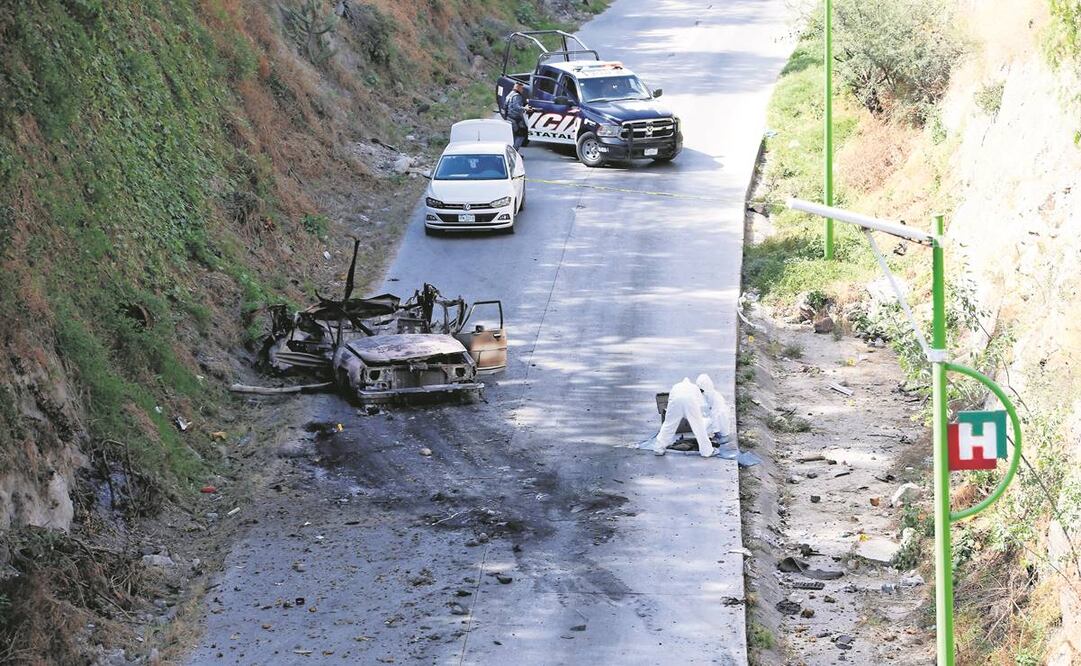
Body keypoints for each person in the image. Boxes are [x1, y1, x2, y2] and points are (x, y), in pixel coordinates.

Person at [653, 377, 714, 457]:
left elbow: (670, 399)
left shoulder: (676, 386)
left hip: (675, 402)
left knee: (668, 425)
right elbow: (700, 404)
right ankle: (706, 452)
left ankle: (658, 448)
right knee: (699, 427)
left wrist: (674, 414)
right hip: (691, 401)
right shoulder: (695, 387)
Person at [696, 373, 732, 444]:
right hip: (713, 417)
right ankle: (717, 434)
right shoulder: (706, 395)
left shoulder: (715, 398)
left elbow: (716, 415)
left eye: (701, 390)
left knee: (719, 418)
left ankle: (724, 435)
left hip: (720, 418)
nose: (701, 392)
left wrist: (716, 430)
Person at [505, 82, 532, 150]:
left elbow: (505, 105)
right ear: (518, 88)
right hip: (515, 118)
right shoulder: (517, 96)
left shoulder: (510, 94)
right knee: (521, 134)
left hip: (509, 117)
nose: (522, 90)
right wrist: (525, 108)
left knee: (514, 135)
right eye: (522, 88)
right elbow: (516, 107)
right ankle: (515, 151)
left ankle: (513, 150)